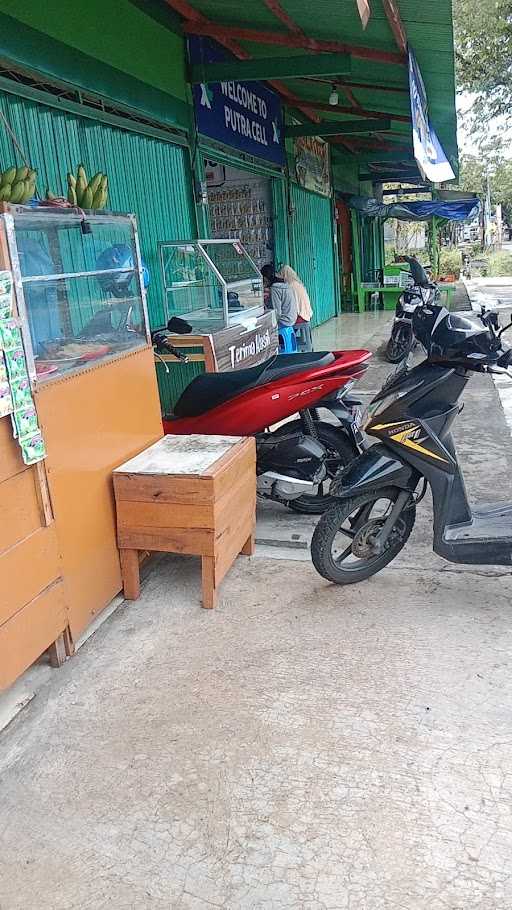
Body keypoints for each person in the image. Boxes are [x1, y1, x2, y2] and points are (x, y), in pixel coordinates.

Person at [278, 265, 314, 352]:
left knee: (281, 324)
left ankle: (286, 346)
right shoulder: (298, 283)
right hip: (307, 314)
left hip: (300, 316)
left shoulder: (290, 286)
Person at [261, 264, 297, 328]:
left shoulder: (274, 288)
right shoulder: (285, 284)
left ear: (265, 278)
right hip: (292, 318)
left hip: (285, 322)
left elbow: (277, 313)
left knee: (262, 328)